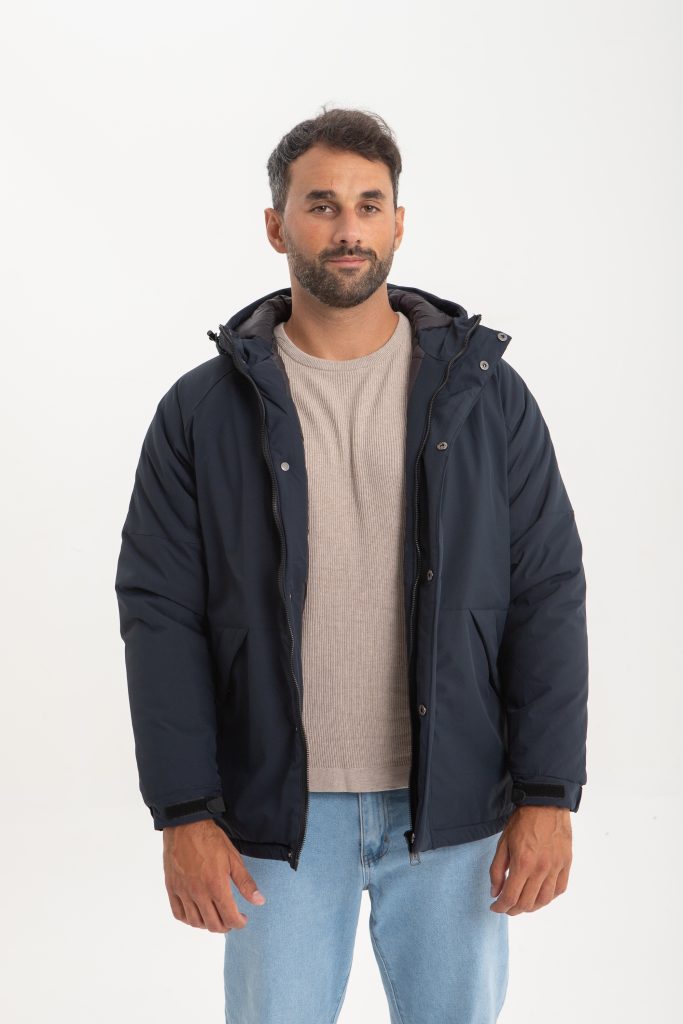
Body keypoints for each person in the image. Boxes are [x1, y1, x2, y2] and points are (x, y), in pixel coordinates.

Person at [114, 106, 589, 1024]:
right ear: (276, 225)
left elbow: (546, 593)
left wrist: (547, 793)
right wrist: (183, 811)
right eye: (321, 205)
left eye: (369, 205)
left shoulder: (485, 398)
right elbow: (159, 613)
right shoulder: (201, 412)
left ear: (398, 223)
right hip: (274, 818)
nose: (347, 228)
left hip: (451, 806)